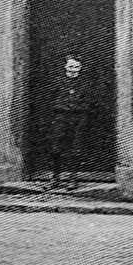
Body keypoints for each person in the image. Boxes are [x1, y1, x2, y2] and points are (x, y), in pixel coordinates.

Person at [48, 55, 94, 190]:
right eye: (70, 67)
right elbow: (50, 99)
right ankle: (55, 178)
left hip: (79, 117)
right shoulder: (57, 82)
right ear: (65, 67)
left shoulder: (85, 84)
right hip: (60, 117)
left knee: (76, 147)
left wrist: (79, 110)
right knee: (56, 147)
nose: (73, 70)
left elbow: (90, 102)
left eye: (76, 67)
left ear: (80, 69)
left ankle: (72, 178)